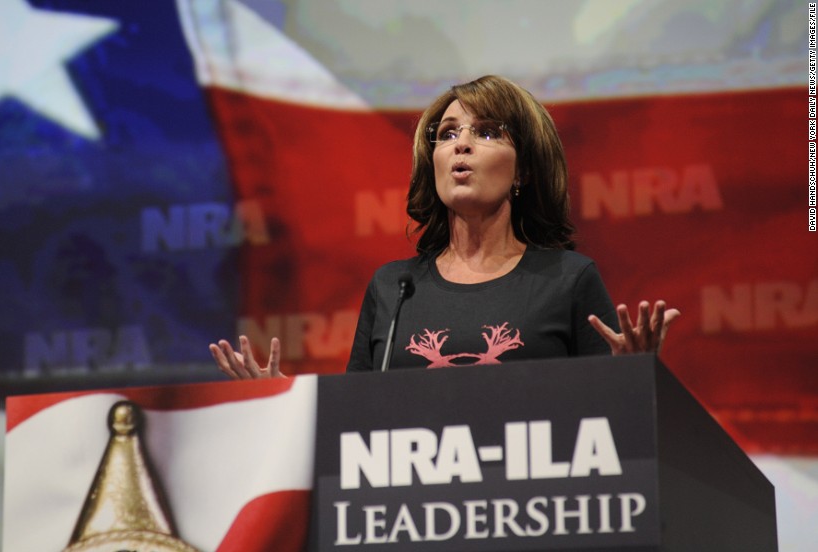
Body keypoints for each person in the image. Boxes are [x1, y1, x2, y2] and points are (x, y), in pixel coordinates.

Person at [210, 75, 679, 379]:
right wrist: (280, 403)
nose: (461, 146)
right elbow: (352, 423)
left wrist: (634, 376)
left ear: (524, 171)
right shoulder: (393, 289)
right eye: (448, 134)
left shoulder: (569, 280)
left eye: (488, 132)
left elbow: (613, 432)